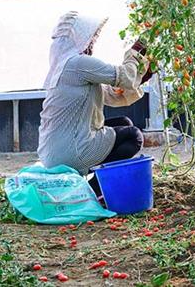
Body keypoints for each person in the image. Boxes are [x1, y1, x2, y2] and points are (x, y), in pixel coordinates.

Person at [37, 11, 152, 194]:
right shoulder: (78, 63)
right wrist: (135, 54)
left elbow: (112, 95)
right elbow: (124, 76)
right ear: (79, 38)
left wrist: (138, 79)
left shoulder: (63, 66)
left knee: (124, 123)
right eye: (91, 39)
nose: (92, 43)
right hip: (71, 151)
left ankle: (92, 181)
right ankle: (93, 190)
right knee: (133, 136)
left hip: (53, 150)